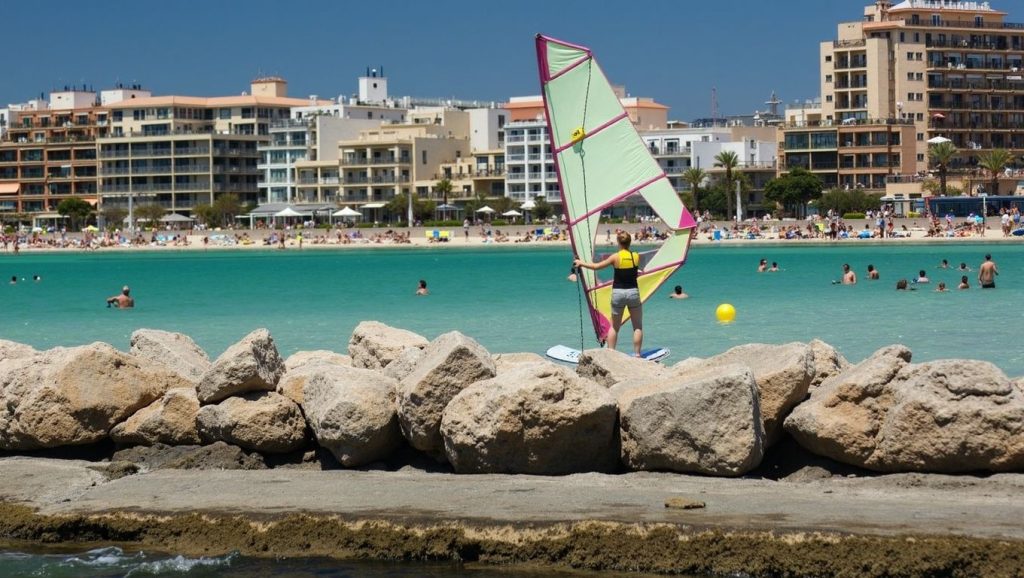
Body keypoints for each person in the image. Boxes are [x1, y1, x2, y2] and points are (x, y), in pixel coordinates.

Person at [574, 231, 644, 357]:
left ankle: (611, 355)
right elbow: (634, 270)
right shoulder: (636, 256)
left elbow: (596, 266)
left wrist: (581, 263)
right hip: (633, 292)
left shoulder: (615, 257)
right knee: (637, 326)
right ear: (629, 243)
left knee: (614, 327)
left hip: (618, 293)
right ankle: (637, 354)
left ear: (618, 243)